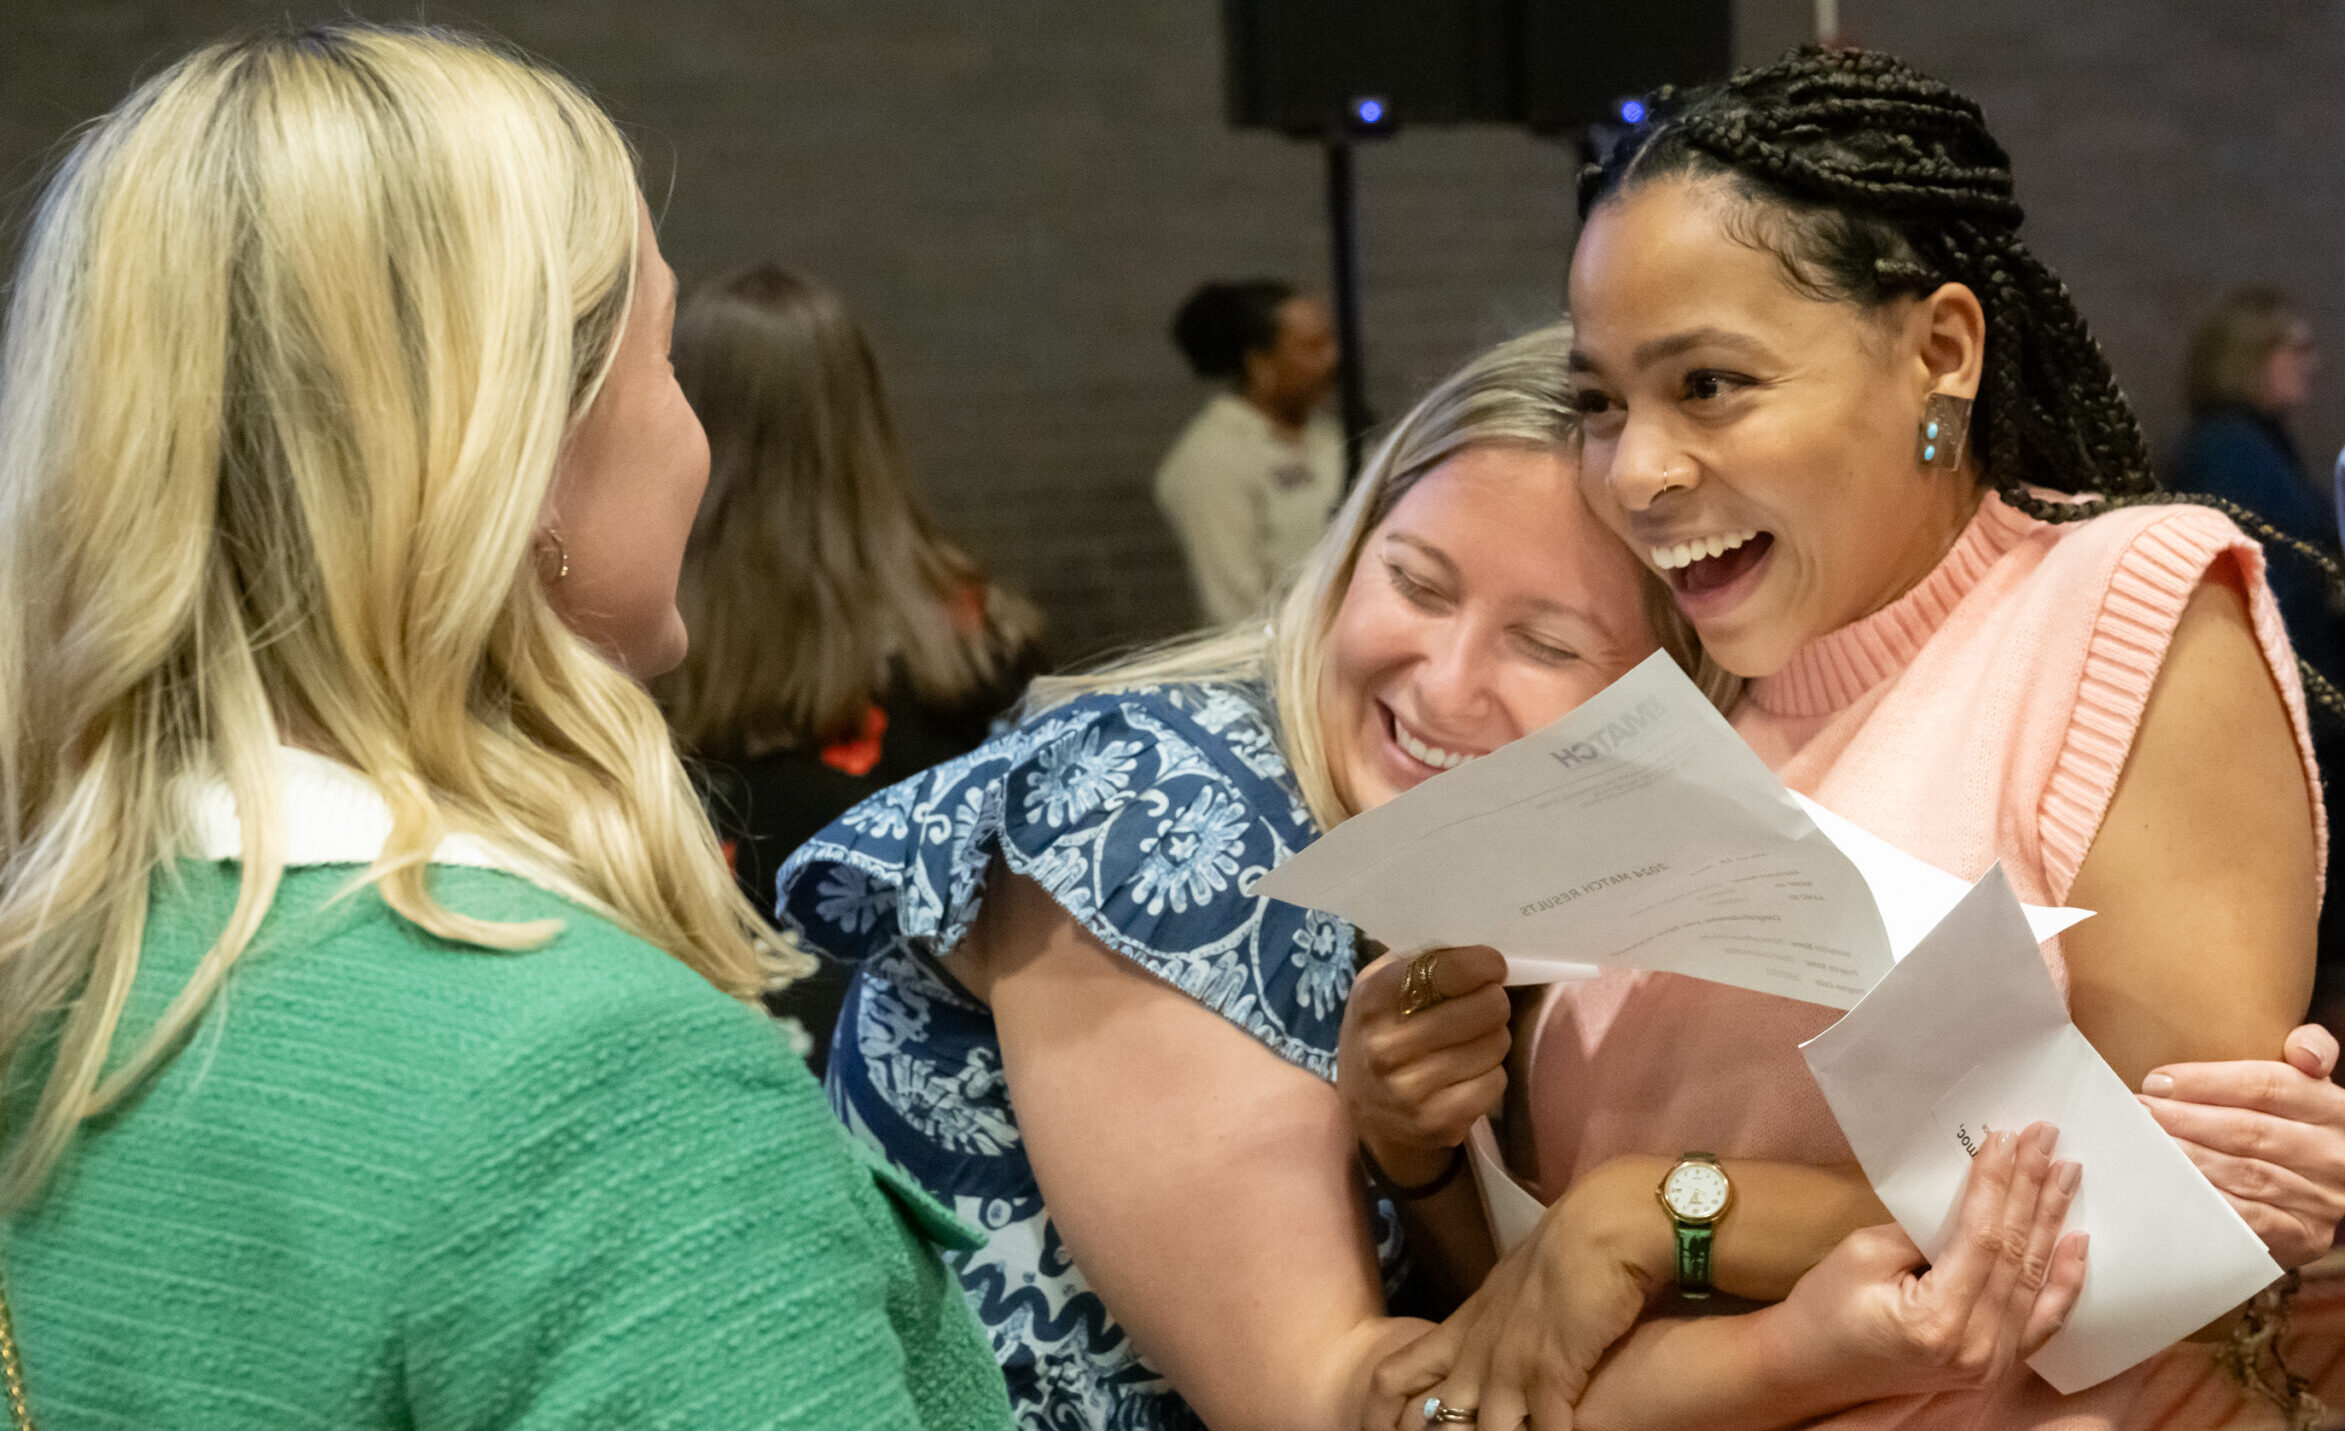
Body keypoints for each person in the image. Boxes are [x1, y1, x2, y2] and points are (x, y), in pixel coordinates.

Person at [777, 324, 2305, 1431]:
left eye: (1548, 644)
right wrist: (1803, 1343)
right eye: (1416, 582)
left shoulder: (1532, 900)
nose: (1443, 680)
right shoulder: (1171, 800)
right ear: (1346, 546)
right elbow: (1368, 1406)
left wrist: (1475, 1170)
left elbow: (1511, 1288)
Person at [0, 26, 1011, 1430]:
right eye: (666, 363)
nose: (694, 441)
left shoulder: (75, 969)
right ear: (516, 445)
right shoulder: (598, 1082)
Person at [1354, 48, 2345, 1430]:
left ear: (1940, 349)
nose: (1635, 470)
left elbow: (2178, 1257)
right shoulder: (1688, 704)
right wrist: (1420, 1155)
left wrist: (1675, 1210)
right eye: (1599, 401)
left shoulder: (2120, 602)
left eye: (1708, 383)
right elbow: (1551, 1315)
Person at [651, 262, 1043, 1069]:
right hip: (950, 1079)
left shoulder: (642, 653)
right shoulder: (982, 640)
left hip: (728, 1072)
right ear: (862, 411)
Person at [1154, 278, 1345, 625]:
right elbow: (1236, 613)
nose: (1333, 358)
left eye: (1330, 341)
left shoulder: (1332, 437)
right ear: (1261, 364)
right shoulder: (1211, 459)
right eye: (1312, 347)